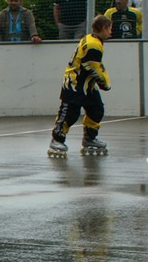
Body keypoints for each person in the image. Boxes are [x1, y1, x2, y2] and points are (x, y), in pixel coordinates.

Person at [47, 14, 112, 158]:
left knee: (96, 109)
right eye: (109, 28)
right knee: (70, 112)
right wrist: (105, 84)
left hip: (87, 84)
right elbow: (93, 67)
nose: (111, 32)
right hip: (75, 83)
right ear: (103, 28)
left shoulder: (92, 38)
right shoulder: (94, 45)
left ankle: (89, 138)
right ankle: (57, 139)